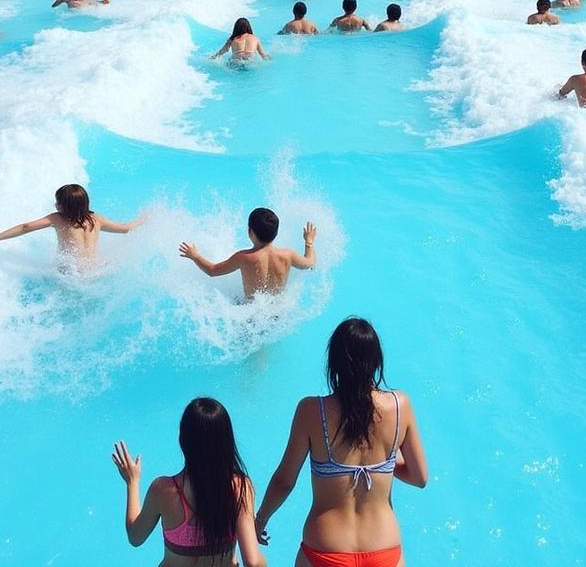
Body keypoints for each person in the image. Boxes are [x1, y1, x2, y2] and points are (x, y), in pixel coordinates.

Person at [254, 317, 428, 567]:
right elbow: (419, 477)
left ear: (333, 363)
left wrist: (260, 520)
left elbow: (284, 481)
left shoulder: (311, 411)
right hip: (384, 549)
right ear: (377, 361)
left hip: (326, 549)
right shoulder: (400, 406)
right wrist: (386, 459)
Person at [111, 398, 266, 567]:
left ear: (182, 441)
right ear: (227, 441)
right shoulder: (239, 488)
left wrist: (132, 482)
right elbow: (253, 563)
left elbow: (135, 537)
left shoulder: (163, 491)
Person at [0, 183, 142, 265]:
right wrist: (143, 219)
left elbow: (25, 227)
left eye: (58, 202)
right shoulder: (96, 219)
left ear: (65, 206)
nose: (56, 204)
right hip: (95, 271)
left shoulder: (57, 219)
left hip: (71, 275)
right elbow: (126, 229)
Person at [179, 207, 315, 299]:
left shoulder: (244, 257)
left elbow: (212, 271)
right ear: (276, 233)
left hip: (251, 315)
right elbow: (310, 263)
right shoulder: (288, 255)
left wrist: (195, 256)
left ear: (250, 232)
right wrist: (308, 242)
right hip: (276, 314)